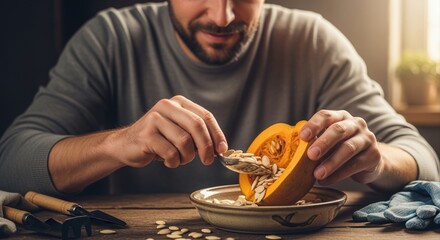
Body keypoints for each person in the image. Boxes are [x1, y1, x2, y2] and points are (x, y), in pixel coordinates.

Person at [0, 0, 438, 196]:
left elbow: (424, 161)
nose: (222, 15)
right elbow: (12, 160)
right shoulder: (109, 39)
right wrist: (119, 143)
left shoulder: (314, 40)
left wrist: (375, 158)